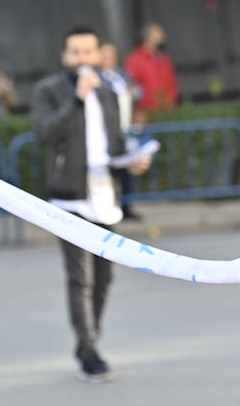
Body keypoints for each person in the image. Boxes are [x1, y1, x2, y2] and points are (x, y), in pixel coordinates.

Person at [32, 27, 152, 382]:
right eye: (75, 52)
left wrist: (132, 161)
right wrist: (76, 100)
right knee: (80, 276)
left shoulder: (109, 92)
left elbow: (113, 144)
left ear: (100, 55)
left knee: (104, 276)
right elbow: (45, 133)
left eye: (89, 52)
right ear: (64, 56)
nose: (83, 59)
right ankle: (88, 350)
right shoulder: (50, 91)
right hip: (69, 198)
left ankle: (89, 341)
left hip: (104, 197)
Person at [99, 41, 143, 221]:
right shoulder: (97, 78)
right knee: (108, 171)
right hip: (106, 131)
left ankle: (127, 206)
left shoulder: (122, 75)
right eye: (105, 55)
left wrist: (133, 91)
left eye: (111, 55)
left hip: (125, 128)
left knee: (127, 170)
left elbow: (140, 92)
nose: (108, 59)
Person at [124, 22, 179, 123]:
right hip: (145, 114)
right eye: (157, 32)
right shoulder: (135, 59)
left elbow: (171, 82)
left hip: (166, 111)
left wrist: (171, 102)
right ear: (148, 37)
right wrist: (138, 110)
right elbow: (130, 84)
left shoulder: (164, 58)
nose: (162, 34)